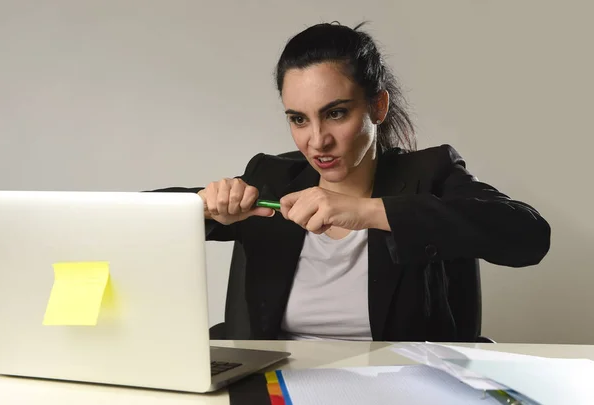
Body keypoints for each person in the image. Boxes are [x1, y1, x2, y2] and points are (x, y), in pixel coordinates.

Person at [153, 22, 550, 342]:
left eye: (336, 113)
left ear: (377, 106)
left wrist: (369, 211)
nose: (317, 140)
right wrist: (205, 206)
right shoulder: (272, 179)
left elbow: (529, 235)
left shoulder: (430, 173)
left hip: (396, 387)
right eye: (298, 119)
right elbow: (128, 219)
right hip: (276, 383)